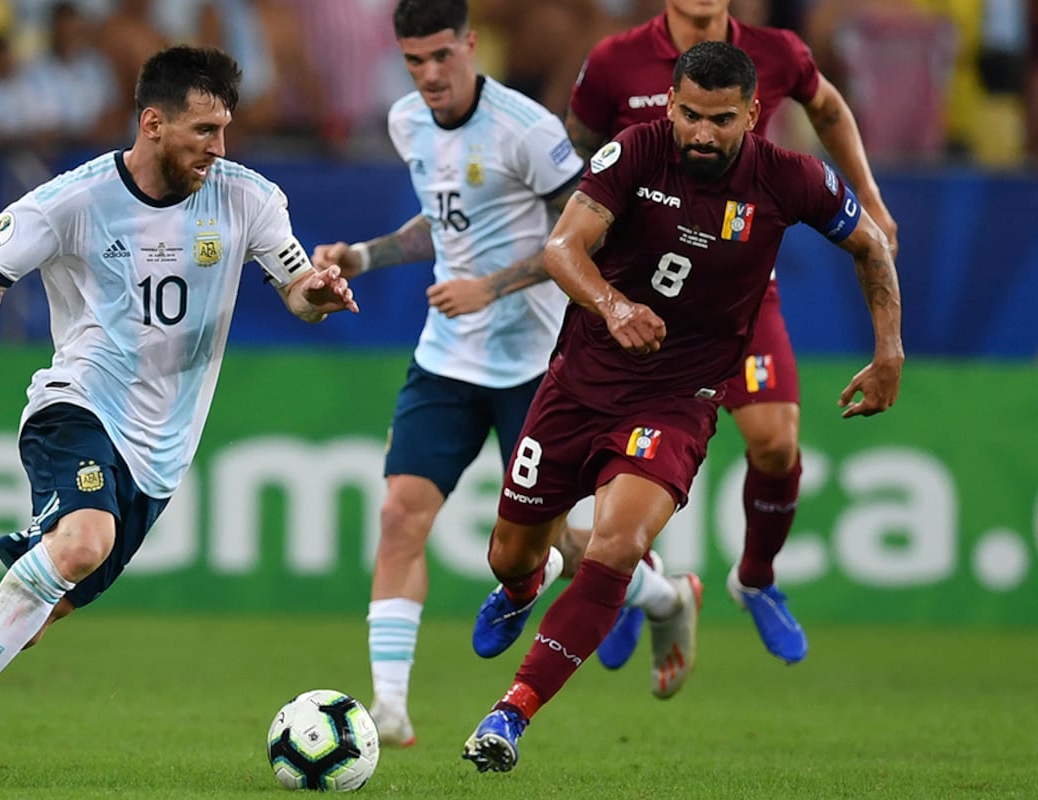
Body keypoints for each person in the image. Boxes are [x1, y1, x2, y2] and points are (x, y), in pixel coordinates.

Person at [0, 44, 358, 779]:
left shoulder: (247, 198)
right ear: (153, 124)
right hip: (76, 403)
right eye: (204, 131)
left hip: (161, 454)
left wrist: (322, 296)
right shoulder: (74, 200)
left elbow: (297, 289)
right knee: (82, 539)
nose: (220, 147)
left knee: (35, 614)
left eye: (225, 130)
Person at [462, 40, 903, 773]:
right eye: (690, 115)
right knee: (511, 553)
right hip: (580, 383)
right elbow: (563, 250)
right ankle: (528, 583)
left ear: (753, 115)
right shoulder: (636, 152)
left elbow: (871, 247)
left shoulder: (789, 178)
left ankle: (511, 714)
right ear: (670, 104)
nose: (701, 133)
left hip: (677, 398)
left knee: (615, 546)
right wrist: (612, 304)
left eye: (721, 120)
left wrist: (889, 352)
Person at [310, 0, 687, 748]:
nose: (428, 76)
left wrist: (491, 286)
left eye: (441, 57)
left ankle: (663, 597)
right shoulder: (406, 123)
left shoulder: (528, 130)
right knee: (398, 518)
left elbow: (584, 234)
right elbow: (445, 224)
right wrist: (365, 256)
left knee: (557, 545)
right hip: (446, 360)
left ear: (471, 45)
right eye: (414, 61)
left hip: (539, 367)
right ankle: (389, 707)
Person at [557, 0, 901, 666]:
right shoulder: (612, 60)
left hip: (735, 291)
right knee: (610, 452)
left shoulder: (776, 54)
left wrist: (871, 197)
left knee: (775, 444)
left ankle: (756, 579)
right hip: (633, 298)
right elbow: (574, 150)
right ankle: (637, 576)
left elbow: (827, 108)